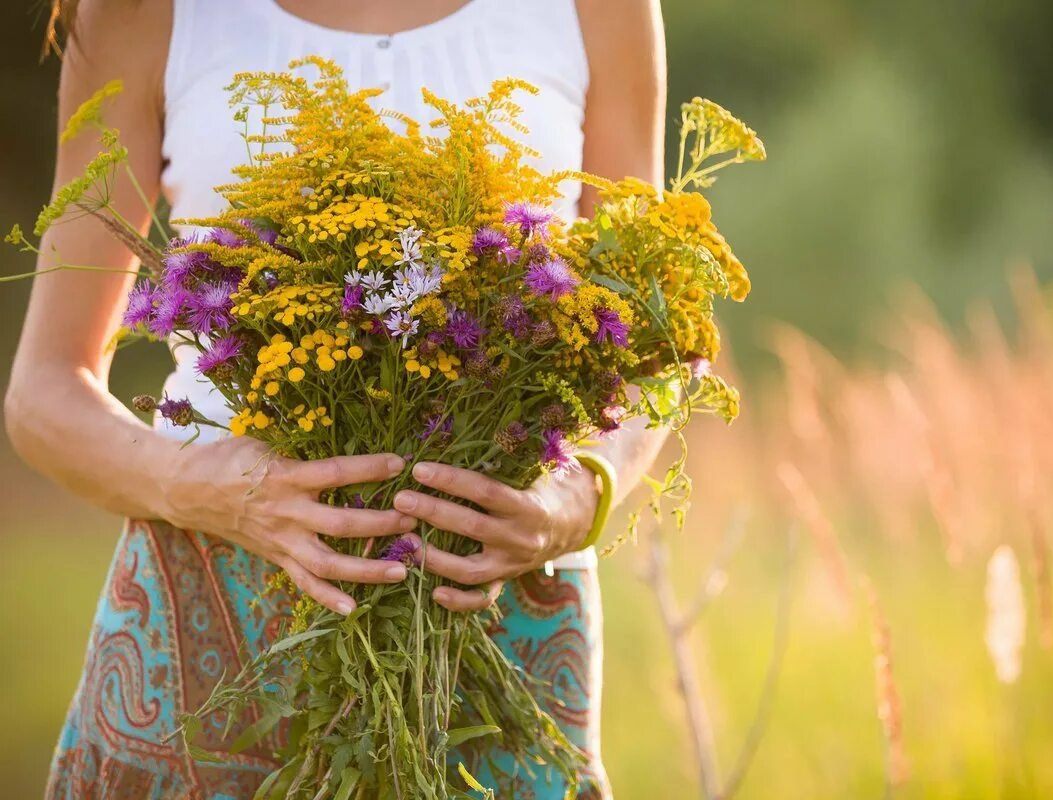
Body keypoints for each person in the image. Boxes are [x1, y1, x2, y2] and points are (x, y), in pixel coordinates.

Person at [6, 1, 669, 797]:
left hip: (501, 605)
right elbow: (44, 394)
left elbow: (655, 347)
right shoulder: (142, 12)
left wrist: (572, 497)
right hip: (216, 596)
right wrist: (217, 489)